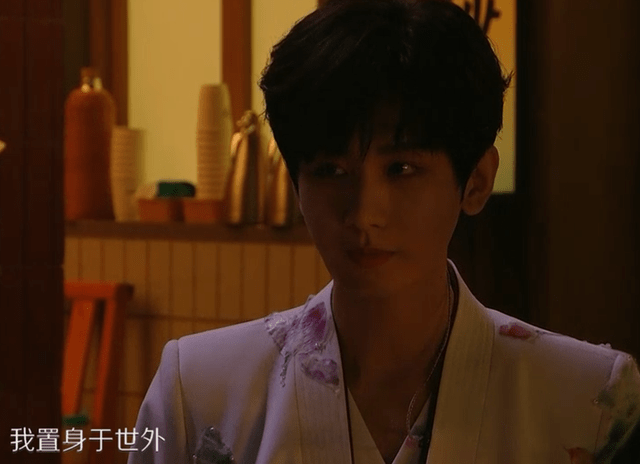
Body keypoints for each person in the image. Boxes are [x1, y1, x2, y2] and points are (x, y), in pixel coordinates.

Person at [128, 1, 640, 463]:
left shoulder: (590, 401)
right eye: (331, 170)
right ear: (296, 184)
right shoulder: (198, 389)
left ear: (476, 181)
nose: (363, 214)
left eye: (402, 169)